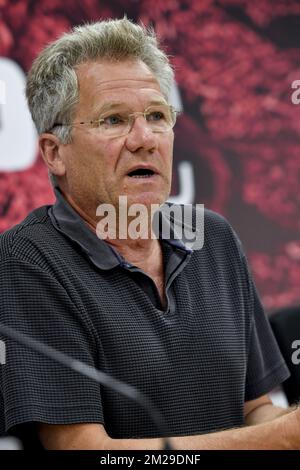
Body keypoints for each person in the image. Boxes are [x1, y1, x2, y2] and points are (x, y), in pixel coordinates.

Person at [0, 17, 299, 450]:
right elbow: (84, 450)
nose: (145, 139)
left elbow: (257, 410)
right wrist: (282, 438)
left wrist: (287, 428)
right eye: (113, 120)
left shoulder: (212, 237)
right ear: (54, 152)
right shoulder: (25, 261)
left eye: (157, 116)